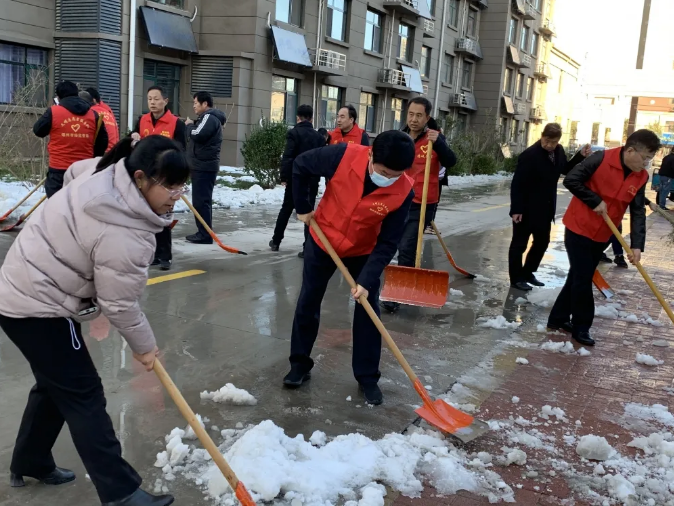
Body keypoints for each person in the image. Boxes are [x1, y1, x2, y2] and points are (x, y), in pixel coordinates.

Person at [0, 135, 189, 506]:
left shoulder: (105, 172)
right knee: (84, 394)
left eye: (182, 184)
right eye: (168, 185)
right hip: (37, 302)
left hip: (24, 285)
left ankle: (31, 460)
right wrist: (146, 349)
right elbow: (119, 303)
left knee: (57, 384)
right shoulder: (124, 231)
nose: (176, 194)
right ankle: (121, 494)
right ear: (139, 178)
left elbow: (73, 170)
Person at [283, 130, 416, 405]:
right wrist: (304, 206)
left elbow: (388, 242)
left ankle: (368, 377)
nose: (388, 179)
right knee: (309, 299)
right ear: (371, 155)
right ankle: (299, 364)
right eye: (383, 172)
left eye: (395, 175)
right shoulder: (343, 155)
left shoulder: (404, 189)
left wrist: (367, 280)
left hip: (363, 250)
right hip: (323, 238)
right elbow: (301, 166)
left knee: (368, 308)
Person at [548, 129, 659, 346]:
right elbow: (571, 180)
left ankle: (557, 319)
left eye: (650, 159)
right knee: (582, 278)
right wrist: (594, 200)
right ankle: (582, 327)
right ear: (630, 150)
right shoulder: (601, 159)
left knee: (578, 276)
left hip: (604, 233)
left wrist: (637, 245)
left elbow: (637, 211)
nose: (646, 163)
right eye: (644, 157)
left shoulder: (641, 176)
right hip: (579, 227)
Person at [381, 98, 456, 314]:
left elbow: (451, 161)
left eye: (419, 115)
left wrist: (439, 142)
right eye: (411, 114)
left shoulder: (434, 139)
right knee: (389, 242)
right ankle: (390, 282)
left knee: (407, 246)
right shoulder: (400, 137)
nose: (414, 119)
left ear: (427, 118)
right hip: (398, 199)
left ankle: (397, 295)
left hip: (423, 202)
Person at [508, 123, 591, 291]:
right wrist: (516, 209)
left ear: (558, 141)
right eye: (546, 141)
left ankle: (528, 272)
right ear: (542, 136)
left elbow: (565, 169)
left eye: (553, 142)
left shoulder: (558, 151)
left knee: (542, 242)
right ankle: (516, 278)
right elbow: (517, 184)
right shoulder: (529, 155)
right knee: (519, 244)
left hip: (545, 208)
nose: (549, 145)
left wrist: (580, 156)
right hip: (525, 209)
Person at [132, 86, 187, 271]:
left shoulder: (175, 123)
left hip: (166, 177)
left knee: (163, 217)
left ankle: (165, 256)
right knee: (147, 217)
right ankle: (152, 255)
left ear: (165, 101)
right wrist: (133, 137)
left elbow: (181, 150)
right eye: (149, 99)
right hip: (147, 177)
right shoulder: (142, 120)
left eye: (156, 99)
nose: (153, 102)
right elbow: (133, 142)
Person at [33, 80, 108, 198]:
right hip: (83, 169)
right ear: (77, 94)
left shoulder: (54, 111)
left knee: (56, 206)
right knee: (78, 205)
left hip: (58, 170)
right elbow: (103, 141)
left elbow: (38, 131)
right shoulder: (93, 114)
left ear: (58, 96)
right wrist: (92, 156)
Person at [269, 104, 325, 256]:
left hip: (296, 178)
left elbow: (288, 156)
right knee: (309, 213)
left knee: (286, 209)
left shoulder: (293, 133)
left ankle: (276, 241)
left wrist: (284, 177)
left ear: (297, 117)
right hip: (312, 179)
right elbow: (321, 160)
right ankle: (307, 246)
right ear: (311, 118)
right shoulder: (319, 137)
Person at [184, 91, 226, 244]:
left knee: (201, 202)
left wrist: (189, 126)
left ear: (205, 104)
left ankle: (205, 234)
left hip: (204, 166)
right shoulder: (208, 118)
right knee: (202, 201)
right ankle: (204, 232)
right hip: (202, 165)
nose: (194, 106)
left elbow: (198, 134)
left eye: (196, 103)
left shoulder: (209, 117)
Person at [86, 87, 120, 153]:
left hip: (101, 152)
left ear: (94, 100)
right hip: (113, 151)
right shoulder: (108, 111)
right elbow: (116, 132)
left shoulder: (92, 111)